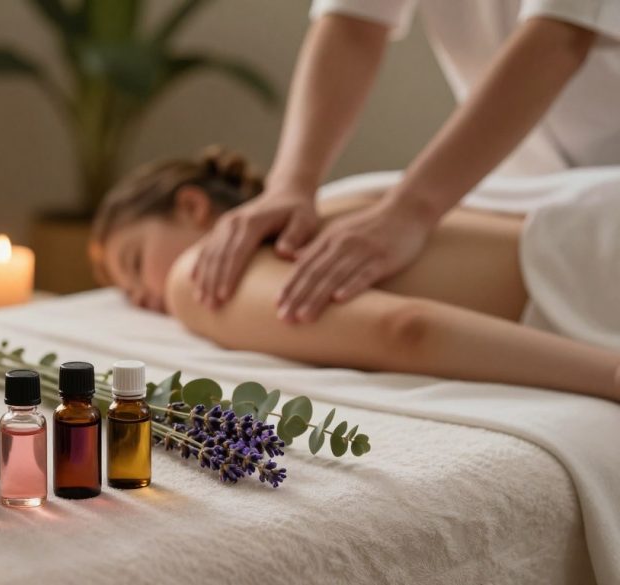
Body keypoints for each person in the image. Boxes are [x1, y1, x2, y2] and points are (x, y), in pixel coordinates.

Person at [188, 2, 618, 323]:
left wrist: (410, 211)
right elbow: (354, 22)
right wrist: (290, 183)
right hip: (514, 183)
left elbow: (559, 38)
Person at [89, 147, 620, 402]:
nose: (142, 297)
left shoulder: (198, 277)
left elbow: (406, 329)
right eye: (127, 292)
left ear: (191, 207)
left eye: (135, 264)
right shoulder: (333, 199)